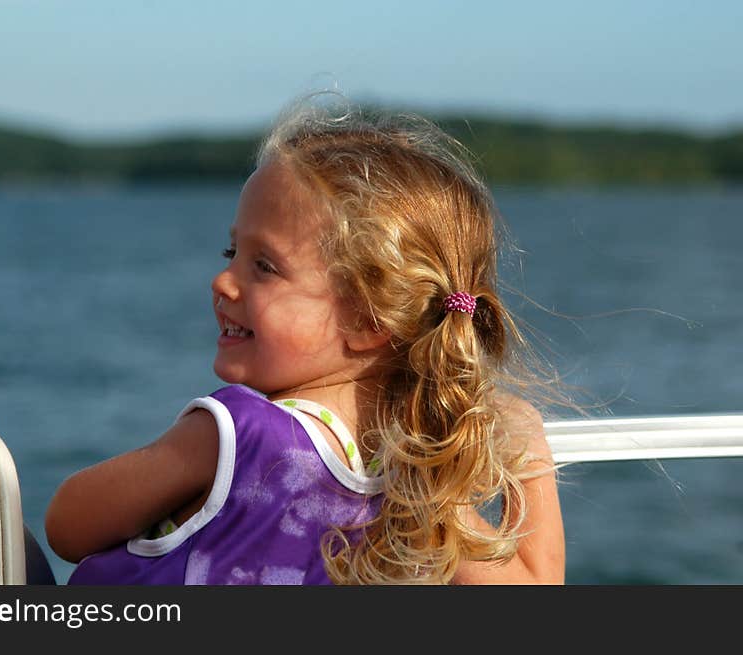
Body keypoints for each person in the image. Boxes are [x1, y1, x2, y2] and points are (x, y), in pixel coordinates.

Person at [45, 96, 566, 585]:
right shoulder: (417, 481)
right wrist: (531, 454)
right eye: (231, 254)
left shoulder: (233, 434)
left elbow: (67, 526)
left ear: (367, 321)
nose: (222, 281)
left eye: (264, 266)